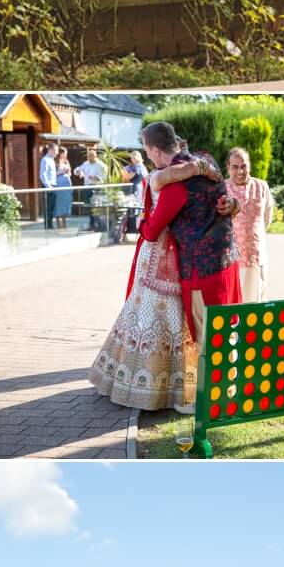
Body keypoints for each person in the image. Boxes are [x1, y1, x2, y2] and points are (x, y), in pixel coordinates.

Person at [87, 147, 222, 412]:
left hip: (163, 254)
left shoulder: (167, 176)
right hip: (168, 255)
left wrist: (145, 227)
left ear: (153, 149)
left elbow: (157, 219)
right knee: (156, 316)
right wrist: (206, 169)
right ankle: (155, 386)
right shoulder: (179, 172)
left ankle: (146, 386)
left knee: (151, 316)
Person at [138, 121, 241, 352]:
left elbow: (152, 231)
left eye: (147, 151)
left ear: (155, 150)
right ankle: (231, 383)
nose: (148, 157)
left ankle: (212, 387)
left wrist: (141, 223)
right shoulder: (207, 159)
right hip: (228, 260)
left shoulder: (175, 185)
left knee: (208, 338)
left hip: (201, 272)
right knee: (230, 330)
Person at [225, 146, 275, 301]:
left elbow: (267, 218)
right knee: (234, 304)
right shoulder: (221, 188)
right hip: (231, 258)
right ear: (228, 168)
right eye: (235, 167)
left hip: (256, 256)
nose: (240, 171)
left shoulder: (262, 186)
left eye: (244, 166)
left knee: (256, 303)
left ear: (249, 166)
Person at [75, 146, 105, 231]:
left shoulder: (101, 165)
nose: (89, 158)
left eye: (90, 156)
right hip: (88, 187)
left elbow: (104, 176)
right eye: (88, 156)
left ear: (95, 156)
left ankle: (99, 225)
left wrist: (97, 177)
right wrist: (78, 171)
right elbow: (77, 169)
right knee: (89, 207)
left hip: (97, 188)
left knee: (96, 207)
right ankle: (92, 225)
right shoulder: (86, 163)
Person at [38, 142, 57, 232]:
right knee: (48, 206)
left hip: (53, 185)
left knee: (52, 206)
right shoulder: (45, 160)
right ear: (50, 150)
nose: (56, 153)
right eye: (55, 151)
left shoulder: (52, 160)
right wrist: (49, 186)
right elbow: (43, 175)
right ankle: (47, 225)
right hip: (49, 186)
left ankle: (50, 224)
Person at [54, 148, 74, 228]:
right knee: (59, 203)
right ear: (60, 153)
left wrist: (68, 171)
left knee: (66, 202)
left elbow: (70, 173)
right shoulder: (55, 162)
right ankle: (58, 222)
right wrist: (62, 171)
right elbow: (53, 174)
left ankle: (64, 221)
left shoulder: (66, 161)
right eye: (64, 153)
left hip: (66, 184)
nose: (65, 155)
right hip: (59, 184)